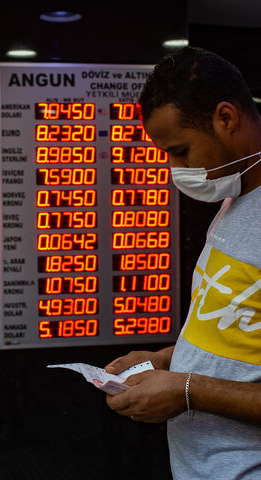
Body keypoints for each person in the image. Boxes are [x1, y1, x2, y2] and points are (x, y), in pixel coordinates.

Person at [104, 46, 261, 479]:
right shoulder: (237, 199)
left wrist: (188, 390)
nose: (176, 170)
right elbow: (240, 334)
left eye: (180, 150)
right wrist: (170, 359)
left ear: (225, 118)